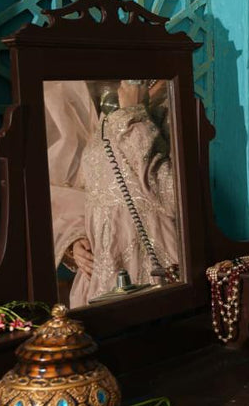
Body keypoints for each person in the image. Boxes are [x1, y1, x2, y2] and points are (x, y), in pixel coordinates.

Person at [47, 79, 180, 307]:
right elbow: (83, 192)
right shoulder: (101, 108)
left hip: (159, 274)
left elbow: (174, 198)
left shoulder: (173, 105)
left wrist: (133, 116)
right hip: (104, 279)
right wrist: (77, 242)